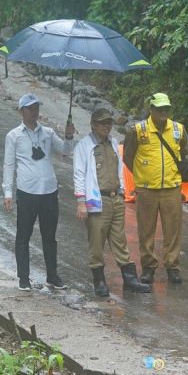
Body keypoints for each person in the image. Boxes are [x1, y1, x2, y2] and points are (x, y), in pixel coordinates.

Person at [74, 107, 150, 297]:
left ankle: (130, 278)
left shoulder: (114, 143)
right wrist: (81, 201)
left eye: (108, 122)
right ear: (93, 124)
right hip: (97, 199)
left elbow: (119, 171)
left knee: (119, 239)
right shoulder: (84, 146)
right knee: (97, 241)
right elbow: (79, 174)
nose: (106, 126)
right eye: (102, 123)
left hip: (115, 198)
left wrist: (123, 193)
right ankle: (98, 280)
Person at [3, 93, 75, 291]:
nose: (34, 112)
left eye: (36, 108)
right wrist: (8, 192)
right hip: (27, 191)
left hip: (49, 191)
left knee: (49, 236)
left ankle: (52, 275)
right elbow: (9, 165)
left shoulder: (48, 133)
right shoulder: (14, 136)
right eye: (30, 108)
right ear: (21, 111)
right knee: (23, 236)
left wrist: (69, 135)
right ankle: (23, 278)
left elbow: (65, 150)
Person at [123, 92, 188, 284]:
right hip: (146, 189)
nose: (163, 112)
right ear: (151, 109)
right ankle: (148, 267)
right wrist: (142, 175)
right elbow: (128, 157)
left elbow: (183, 154)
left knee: (173, 230)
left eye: (166, 109)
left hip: (171, 188)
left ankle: (173, 267)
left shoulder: (178, 130)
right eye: (159, 109)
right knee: (146, 230)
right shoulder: (138, 130)